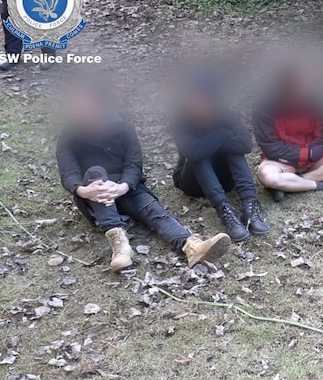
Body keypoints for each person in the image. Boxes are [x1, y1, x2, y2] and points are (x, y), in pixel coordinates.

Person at [55, 81, 231, 273]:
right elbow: (69, 172)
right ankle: (120, 246)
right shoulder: (68, 136)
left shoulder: (123, 128)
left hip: (128, 187)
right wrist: (84, 191)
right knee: (96, 172)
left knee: (155, 212)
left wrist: (123, 186)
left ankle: (191, 246)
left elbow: (133, 163)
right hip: (94, 195)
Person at [171, 74, 269, 243]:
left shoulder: (225, 115)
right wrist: (222, 134)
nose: (198, 103)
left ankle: (250, 205)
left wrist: (207, 144)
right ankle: (224, 209)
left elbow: (245, 144)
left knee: (233, 151)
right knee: (200, 155)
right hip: (192, 181)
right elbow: (193, 152)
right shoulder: (180, 120)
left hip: (225, 179)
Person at [254, 66, 323, 201]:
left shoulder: (316, 100)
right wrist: (307, 154)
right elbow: (270, 145)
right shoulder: (265, 106)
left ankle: (293, 183)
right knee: (267, 176)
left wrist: (312, 154)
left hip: (316, 157)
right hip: (283, 160)